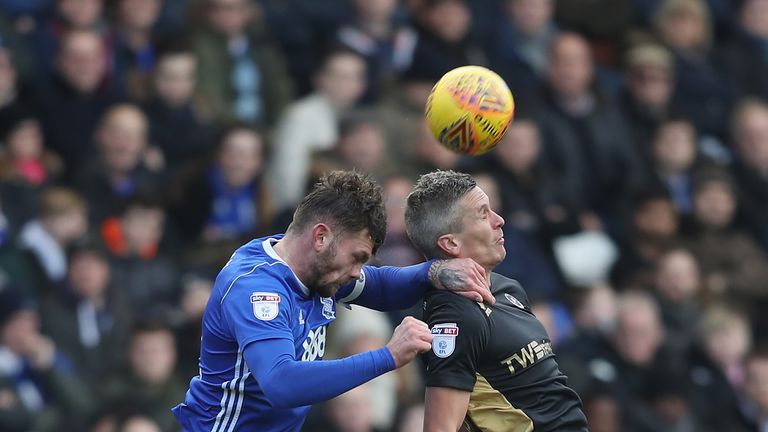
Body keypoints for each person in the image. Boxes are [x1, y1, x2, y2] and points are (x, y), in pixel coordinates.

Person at [172, 170, 492, 431]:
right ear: (321, 237)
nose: (357, 273)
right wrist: (388, 356)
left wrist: (434, 271)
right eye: (356, 258)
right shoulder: (256, 288)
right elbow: (282, 383)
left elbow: (380, 285)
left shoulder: (317, 269)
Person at [404, 170, 587, 431]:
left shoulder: (507, 287)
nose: (499, 220)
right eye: (482, 213)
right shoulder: (455, 314)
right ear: (451, 243)